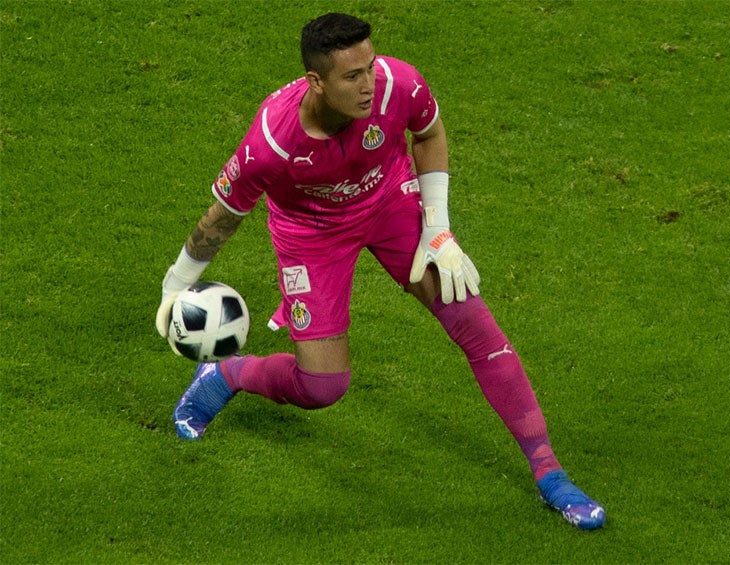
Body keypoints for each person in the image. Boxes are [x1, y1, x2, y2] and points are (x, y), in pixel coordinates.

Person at [156, 13, 605, 531]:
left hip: (390, 201)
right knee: (323, 386)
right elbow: (224, 216)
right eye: (352, 76)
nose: (369, 84)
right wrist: (176, 286)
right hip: (312, 233)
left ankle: (549, 473)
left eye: (369, 66)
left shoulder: (397, 84)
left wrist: (437, 226)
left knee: (476, 325)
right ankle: (228, 373)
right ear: (317, 82)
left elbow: (429, 132)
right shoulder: (270, 146)